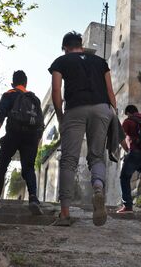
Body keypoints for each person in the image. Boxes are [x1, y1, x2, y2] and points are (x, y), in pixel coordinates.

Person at [49, 31, 117, 227]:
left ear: (65, 48)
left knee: (69, 160)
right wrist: (114, 114)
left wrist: (61, 117)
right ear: (81, 44)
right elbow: (110, 92)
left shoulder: (61, 62)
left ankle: (64, 213)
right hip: (102, 108)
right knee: (96, 156)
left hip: (75, 109)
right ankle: (97, 187)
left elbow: (56, 92)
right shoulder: (100, 62)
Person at [0, 70, 44, 215]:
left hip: (13, 134)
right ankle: (33, 197)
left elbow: (0, 116)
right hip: (31, 137)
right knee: (28, 168)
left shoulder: (9, 94)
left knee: (2, 166)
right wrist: (36, 142)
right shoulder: (34, 99)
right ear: (26, 84)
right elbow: (40, 123)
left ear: (13, 83)